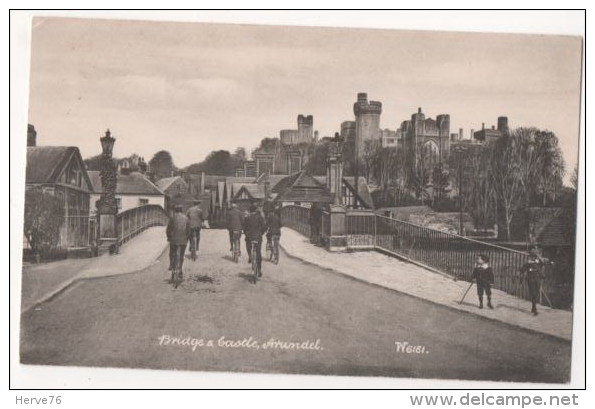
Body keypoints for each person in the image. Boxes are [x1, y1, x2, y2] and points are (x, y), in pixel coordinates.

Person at [520, 248, 552, 316]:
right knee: (533, 293)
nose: (533, 258)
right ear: (530, 257)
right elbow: (522, 270)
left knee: (536, 294)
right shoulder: (528, 263)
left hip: (537, 280)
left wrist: (549, 262)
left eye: (535, 256)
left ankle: (533, 307)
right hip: (531, 280)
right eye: (532, 256)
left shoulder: (539, 262)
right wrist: (521, 274)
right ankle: (534, 308)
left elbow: (546, 262)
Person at [242, 204, 267, 275]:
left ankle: (250, 255)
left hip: (250, 237)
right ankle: (259, 270)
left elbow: (244, 228)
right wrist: (261, 233)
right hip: (258, 237)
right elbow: (264, 227)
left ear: (250, 211)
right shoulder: (260, 217)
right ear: (256, 210)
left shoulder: (247, 218)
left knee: (247, 244)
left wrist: (246, 233)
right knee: (258, 252)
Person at [166, 205, 190, 273]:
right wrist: (187, 237)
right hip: (183, 240)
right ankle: (180, 269)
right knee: (182, 255)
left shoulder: (172, 218)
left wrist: (169, 237)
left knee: (171, 252)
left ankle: (171, 264)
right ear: (181, 210)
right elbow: (188, 230)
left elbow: (168, 229)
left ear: (175, 211)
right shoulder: (186, 218)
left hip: (174, 239)